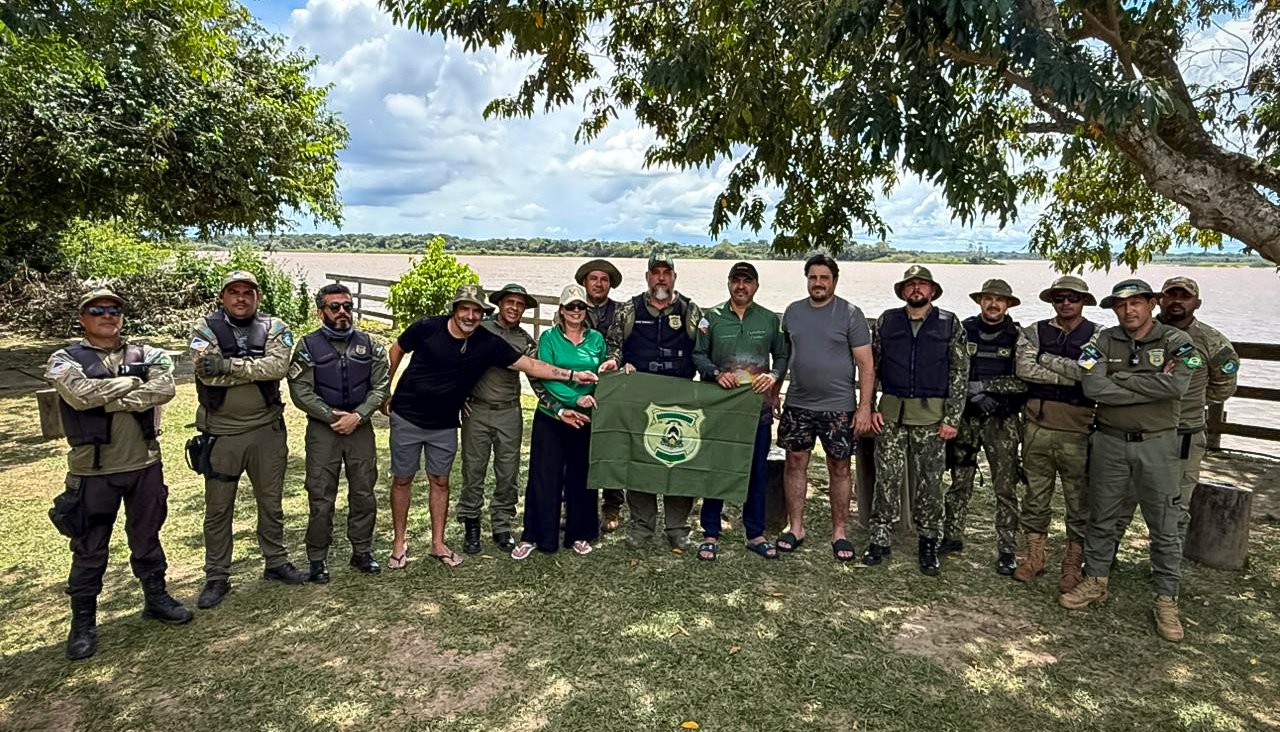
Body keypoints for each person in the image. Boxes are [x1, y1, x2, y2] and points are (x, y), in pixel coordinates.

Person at [384, 284, 598, 568]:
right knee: (434, 475)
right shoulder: (442, 328)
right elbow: (399, 348)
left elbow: (534, 369)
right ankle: (442, 532)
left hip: (482, 416)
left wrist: (572, 378)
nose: (470, 316)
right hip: (433, 413)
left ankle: (494, 528)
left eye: (520, 304)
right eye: (465, 309)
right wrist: (385, 390)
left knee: (484, 475)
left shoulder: (502, 340)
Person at [45, 289, 192, 660]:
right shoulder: (64, 358)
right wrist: (131, 384)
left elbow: (165, 387)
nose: (107, 315)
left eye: (114, 310)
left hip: (144, 465)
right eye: (97, 310)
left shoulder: (147, 354)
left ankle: (156, 598)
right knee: (89, 547)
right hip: (93, 470)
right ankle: (83, 622)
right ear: (83, 318)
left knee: (147, 537)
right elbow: (78, 396)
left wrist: (107, 399)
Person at [1060, 279, 1195, 643]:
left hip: (1157, 445)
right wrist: (1148, 383)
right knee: (1102, 515)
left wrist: (1119, 378)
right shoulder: (1102, 341)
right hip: (1110, 442)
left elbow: (1177, 387)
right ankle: (1096, 580)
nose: (1128, 310)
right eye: (1120, 305)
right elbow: (1092, 387)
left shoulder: (1176, 342)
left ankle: (1166, 599)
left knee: (1164, 524)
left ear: (1152, 304)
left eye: (1136, 302)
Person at [190, 270, 303, 610]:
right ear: (222, 296)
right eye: (234, 292)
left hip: (267, 431)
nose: (241, 298)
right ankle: (217, 575)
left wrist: (227, 366)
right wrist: (252, 368)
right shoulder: (204, 328)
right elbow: (206, 375)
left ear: (258, 297)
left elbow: (277, 368)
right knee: (218, 508)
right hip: (222, 433)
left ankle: (276, 561)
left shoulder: (275, 326)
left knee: (271, 502)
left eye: (248, 292)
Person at [1114, 277, 1239, 542]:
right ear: (1159, 300)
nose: (1177, 301)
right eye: (1171, 295)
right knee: (1117, 503)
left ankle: (1168, 562)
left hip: (1182, 435)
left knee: (1174, 508)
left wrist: (1187, 402)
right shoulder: (1133, 330)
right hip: (1135, 431)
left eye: (1185, 296)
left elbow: (1224, 386)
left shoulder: (1211, 341)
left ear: (1197, 303)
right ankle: (1104, 558)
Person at [863, 265, 966, 576]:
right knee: (887, 477)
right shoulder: (887, 321)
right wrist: (869, 406)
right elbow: (872, 367)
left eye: (922, 284)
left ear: (932, 291)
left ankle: (928, 541)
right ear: (903, 291)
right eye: (911, 285)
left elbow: (959, 371)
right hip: (891, 414)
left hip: (932, 417)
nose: (916, 289)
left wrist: (952, 417)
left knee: (930, 482)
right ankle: (879, 538)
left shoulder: (949, 323)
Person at [287, 283, 390, 582]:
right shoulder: (307, 346)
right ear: (321, 312)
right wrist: (330, 415)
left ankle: (362, 551)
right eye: (335, 307)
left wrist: (358, 416)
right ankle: (317, 558)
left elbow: (381, 385)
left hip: (360, 429)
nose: (342, 312)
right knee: (320, 495)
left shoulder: (370, 344)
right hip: (324, 431)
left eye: (347, 306)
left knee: (364, 492)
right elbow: (300, 389)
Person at [604, 251, 705, 552]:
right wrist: (616, 363)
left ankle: (677, 528)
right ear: (647, 277)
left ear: (674, 277)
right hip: (640, 400)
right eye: (656, 272)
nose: (661, 278)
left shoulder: (691, 310)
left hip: (680, 401)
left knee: (678, 461)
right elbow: (614, 346)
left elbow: (703, 351)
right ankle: (641, 525)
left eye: (666, 272)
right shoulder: (628, 309)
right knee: (640, 462)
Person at [775, 254, 874, 561]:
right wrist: (775, 393)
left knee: (840, 467)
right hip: (798, 404)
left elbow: (866, 365)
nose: (818, 283)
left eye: (824, 278)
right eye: (813, 277)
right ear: (807, 280)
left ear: (834, 281)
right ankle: (795, 527)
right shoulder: (792, 312)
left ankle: (839, 532)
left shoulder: (850, 314)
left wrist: (864, 407)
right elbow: (783, 357)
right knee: (794, 463)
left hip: (839, 407)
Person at [692, 262, 791, 561]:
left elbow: (783, 355)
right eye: (736, 280)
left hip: (756, 411)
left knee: (756, 472)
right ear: (728, 283)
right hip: (721, 410)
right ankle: (710, 532)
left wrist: (773, 377)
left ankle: (755, 533)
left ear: (756, 286)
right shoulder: (711, 318)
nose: (741, 286)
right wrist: (714, 373)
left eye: (747, 281)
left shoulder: (769, 320)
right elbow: (698, 354)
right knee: (717, 469)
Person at [1012, 275, 1098, 591]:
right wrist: (1070, 374)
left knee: (1079, 500)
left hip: (1078, 430)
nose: (1065, 303)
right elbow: (1024, 368)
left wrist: (1045, 359)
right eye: (1059, 298)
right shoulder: (1034, 331)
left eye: (1072, 298)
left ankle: (1073, 563)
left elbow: (1089, 373)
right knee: (1035, 496)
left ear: (1083, 301)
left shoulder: (1098, 336)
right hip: (1037, 426)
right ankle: (1035, 555)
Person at [512, 284, 607, 558]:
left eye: (580, 306)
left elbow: (602, 375)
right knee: (544, 476)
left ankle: (580, 533)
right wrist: (574, 399)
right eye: (570, 306)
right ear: (561, 310)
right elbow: (546, 376)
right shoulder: (549, 338)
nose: (576, 311)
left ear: (586, 310)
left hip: (585, 418)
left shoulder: (596, 339)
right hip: (552, 416)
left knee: (581, 476)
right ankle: (536, 535)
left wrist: (590, 398)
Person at [942, 279, 1027, 575]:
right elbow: (951, 370)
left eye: (999, 300)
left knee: (1005, 487)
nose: (993, 304)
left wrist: (987, 387)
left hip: (1002, 422)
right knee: (959, 481)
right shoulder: (964, 330)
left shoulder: (1018, 337)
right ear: (980, 301)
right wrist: (974, 394)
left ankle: (1007, 548)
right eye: (988, 298)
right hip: (968, 418)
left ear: (1008, 305)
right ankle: (952, 536)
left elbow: (1025, 379)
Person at [458, 283, 538, 555]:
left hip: (509, 411)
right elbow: (456, 360)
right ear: (500, 304)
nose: (514, 308)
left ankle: (502, 525)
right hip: (477, 410)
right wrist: (458, 395)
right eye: (510, 302)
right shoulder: (479, 329)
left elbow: (538, 374)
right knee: (473, 469)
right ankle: (471, 523)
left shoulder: (525, 341)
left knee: (508, 472)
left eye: (520, 304)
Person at [575, 259, 627, 531]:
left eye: (604, 279)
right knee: (576, 447)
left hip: (613, 389)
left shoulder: (622, 311)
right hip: (578, 388)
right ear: (585, 282)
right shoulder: (572, 307)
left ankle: (612, 505)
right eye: (593, 278)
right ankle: (573, 502)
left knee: (613, 447)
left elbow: (625, 344)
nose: (598, 283)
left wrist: (615, 360)